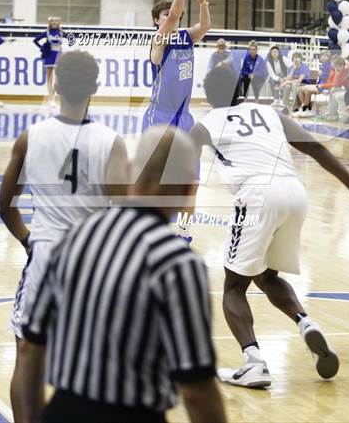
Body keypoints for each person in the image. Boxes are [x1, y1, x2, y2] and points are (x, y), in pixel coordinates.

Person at [190, 64, 349, 389]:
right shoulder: (268, 113)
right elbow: (315, 148)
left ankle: (254, 363)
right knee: (267, 276)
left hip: (257, 196)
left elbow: (178, 166)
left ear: (210, 96)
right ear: (242, 91)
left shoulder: (206, 122)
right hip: (294, 193)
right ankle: (305, 322)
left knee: (233, 287)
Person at [19, 127, 227, 423]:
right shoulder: (177, 263)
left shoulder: (76, 236)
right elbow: (196, 390)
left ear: (129, 172)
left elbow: (29, 346)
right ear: (188, 190)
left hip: (62, 411)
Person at [0, 51, 129, 423]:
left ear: (54, 84)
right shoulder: (111, 141)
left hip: (46, 258)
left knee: (27, 353)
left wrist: (29, 240)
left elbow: (5, 206)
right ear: (96, 87)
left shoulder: (31, 137)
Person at [142, 0, 213, 242]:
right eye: (164, 14)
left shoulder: (185, 37)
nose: (172, 15)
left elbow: (204, 27)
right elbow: (173, 16)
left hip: (184, 119)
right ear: (155, 21)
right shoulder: (158, 41)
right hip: (158, 117)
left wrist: (203, 5)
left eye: (172, 12)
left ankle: (183, 234)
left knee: (191, 182)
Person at [33, 17, 67, 109]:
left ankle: (53, 97)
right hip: (49, 56)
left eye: (56, 21)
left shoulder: (61, 32)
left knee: (57, 81)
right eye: (52, 21)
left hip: (59, 55)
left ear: (59, 22)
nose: (54, 22)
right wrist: (42, 48)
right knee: (49, 79)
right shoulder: (47, 32)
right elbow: (35, 40)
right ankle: (51, 99)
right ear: (50, 23)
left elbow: (71, 39)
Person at [294, 50, 333, 117]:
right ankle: (304, 108)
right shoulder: (322, 66)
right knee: (300, 89)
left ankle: (306, 109)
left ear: (329, 58)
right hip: (319, 84)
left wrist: (322, 78)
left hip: (324, 86)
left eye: (326, 56)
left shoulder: (329, 66)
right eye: (322, 56)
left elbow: (329, 79)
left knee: (308, 90)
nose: (323, 57)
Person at [326, 56, 349, 121]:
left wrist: (346, 63)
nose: (337, 68)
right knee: (333, 91)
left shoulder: (348, 70)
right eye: (336, 66)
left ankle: (332, 113)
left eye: (339, 66)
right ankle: (332, 112)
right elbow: (336, 85)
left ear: (343, 65)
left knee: (333, 92)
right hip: (346, 89)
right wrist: (337, 74)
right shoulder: (339, 73)